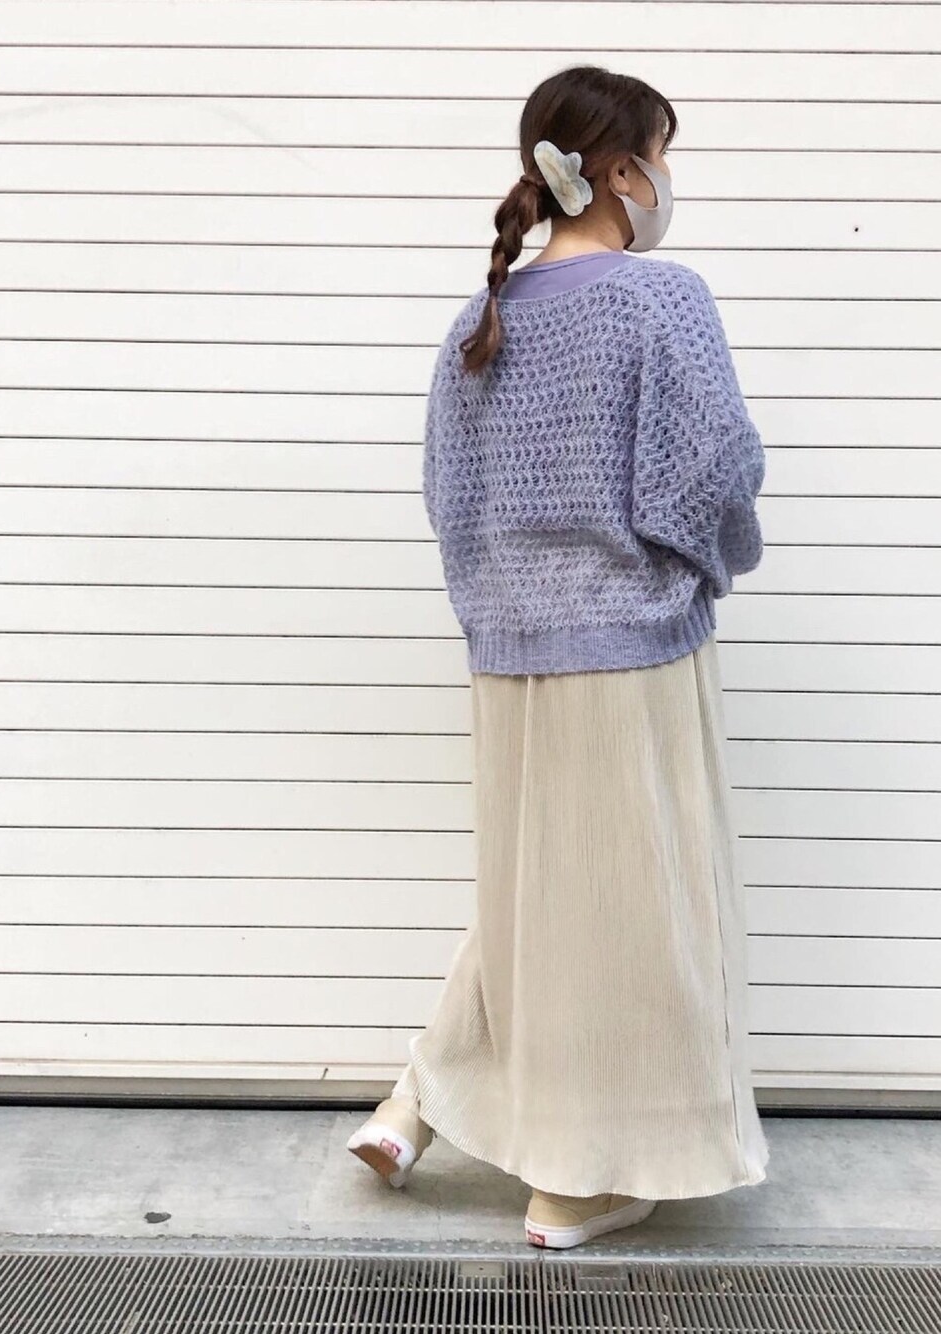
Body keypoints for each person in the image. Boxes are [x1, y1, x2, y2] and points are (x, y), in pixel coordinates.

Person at [346, 63, 770, 1250]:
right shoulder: (658, 299)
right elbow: (711, 473)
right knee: (634, 919)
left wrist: (503, 609)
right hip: (630, 656)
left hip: (511, 660)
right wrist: (712, 563)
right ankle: (576, 1179)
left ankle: (414, 1104)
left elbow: (448, 497)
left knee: (539, 901)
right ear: (622, 170)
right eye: (662, 156)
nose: (666, 180)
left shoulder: (478, 322)